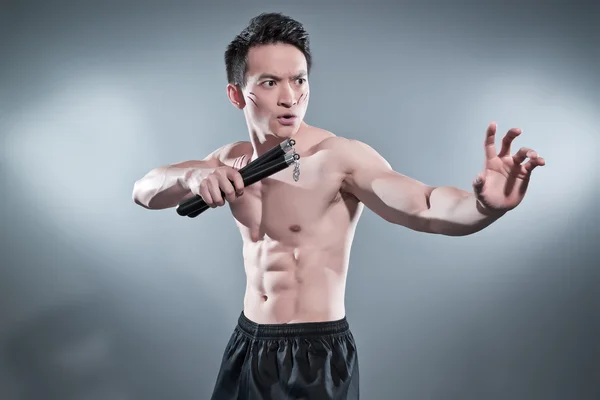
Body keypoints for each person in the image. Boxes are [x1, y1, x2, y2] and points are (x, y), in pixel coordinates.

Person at [132, 12, 546, 400]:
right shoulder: (228, 160)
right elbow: (145, 190)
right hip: (248, 342)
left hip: (316, 353)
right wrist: (191, 177)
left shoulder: (339, 158)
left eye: (299, 80)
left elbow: (425, 206)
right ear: (237, 94)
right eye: (271, 83)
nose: (290, 97)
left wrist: (485, 207)